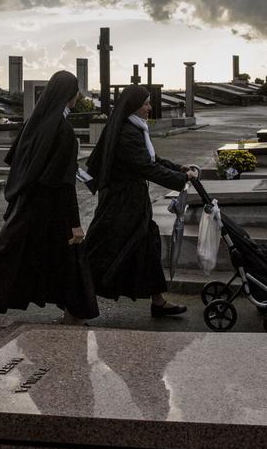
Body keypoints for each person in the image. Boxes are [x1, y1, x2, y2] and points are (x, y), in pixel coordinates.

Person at [0, 70, 98, 341]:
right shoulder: (64, 131)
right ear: (69, 95)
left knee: (7, 260)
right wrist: (75, 224)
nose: (78, 95)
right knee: (72, 261)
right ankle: (75, 316)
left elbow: (16, 162)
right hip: (52, 211)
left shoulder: (35, 123)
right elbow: (64, 183)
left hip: (27, 204)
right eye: (77, 91)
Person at [83, 85, 197, 316]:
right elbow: (145, 167)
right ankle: (75, 297)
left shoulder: (135, 129)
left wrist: (178, 168)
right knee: (102, 252)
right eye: (146, 103)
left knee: (147, 246)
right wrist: (180, 178)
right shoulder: (128, 132)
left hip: (132, 203)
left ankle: (158, 301)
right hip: (120, 206)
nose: (149, 107)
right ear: (134, 106)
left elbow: (151, 159)